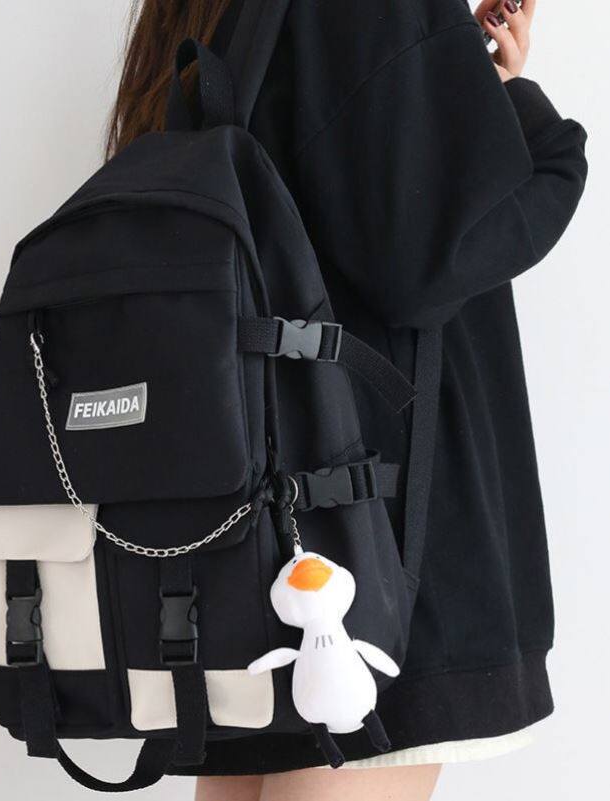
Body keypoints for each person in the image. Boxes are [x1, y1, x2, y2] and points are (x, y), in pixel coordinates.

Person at [106, 1, 587, 799]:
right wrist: (523, 117)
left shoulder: (202, 12)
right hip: (367, 553)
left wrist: (454, 79)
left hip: (246, 540)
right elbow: (436, 252)